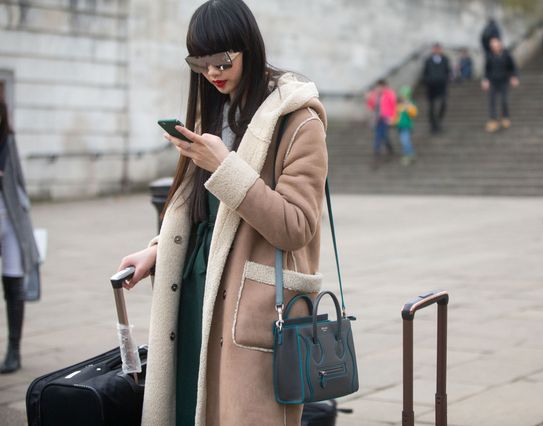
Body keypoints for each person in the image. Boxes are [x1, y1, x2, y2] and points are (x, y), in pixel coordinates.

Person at [116, 1, 329, 425]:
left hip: (248, 306)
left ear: (249, 47)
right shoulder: (211, 114)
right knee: (186, 408)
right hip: (192, 293)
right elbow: (204, 215)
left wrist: (225, 167)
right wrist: (158, 250)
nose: (212, 72)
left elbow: (297, 227)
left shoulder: (299, 123)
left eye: (222, 60)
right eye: (200, 62)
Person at [0, 99, 40, 374]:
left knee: (14, 285)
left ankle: (14, 349)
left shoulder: (7, 139)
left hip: (11, 220)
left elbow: (19, 182)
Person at [482, 37, 519, 132]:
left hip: (504, 81)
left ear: (500, 45)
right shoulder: (489, 56)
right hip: (493, 81)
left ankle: (505, 117)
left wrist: (514, 77)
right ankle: (493, 120)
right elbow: (487, 70)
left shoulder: (506, 54)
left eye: (495, 45)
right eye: (492, 46)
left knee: (504, 100)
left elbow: (512, 67)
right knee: (492, 101)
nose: (494, 47)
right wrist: (485, 80)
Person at [422, 43, 451, 134]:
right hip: (431, 87)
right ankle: (433, 125)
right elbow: (425, 72)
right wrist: (428, 81)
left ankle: (438, 121)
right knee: (431, 107)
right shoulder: (428, 60)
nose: (437, 50)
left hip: (442, 86)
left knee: (443, 103)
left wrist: (445, 79)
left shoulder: (445, 59)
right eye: (435, 48)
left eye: (439, 48)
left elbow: (447, 71)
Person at [366, 79, 396, 167]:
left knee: (382, 134)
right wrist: (368, 99)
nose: (378, 89)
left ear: (384, 86)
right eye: (377, 87)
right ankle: (379, 150)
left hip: (386, 118)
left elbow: (393, 106)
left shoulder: (389, 94)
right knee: (379, 134)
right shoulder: (375, 95)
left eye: (379, 87)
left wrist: (392, 117)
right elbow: (371, 106)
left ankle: (379, 149)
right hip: (377, 118)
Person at [394, 85, 418, 166]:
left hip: (406, 126)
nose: (402, 98)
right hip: (400, 126)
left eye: (404, 96)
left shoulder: (410, 104)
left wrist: (408, 107)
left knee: (405, 140)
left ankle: (408, 155)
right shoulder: (399, 105)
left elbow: (414, 114)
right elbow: (396, 115)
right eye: (402, 96)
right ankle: (411, 154)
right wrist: (393, 121)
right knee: (404, 140)